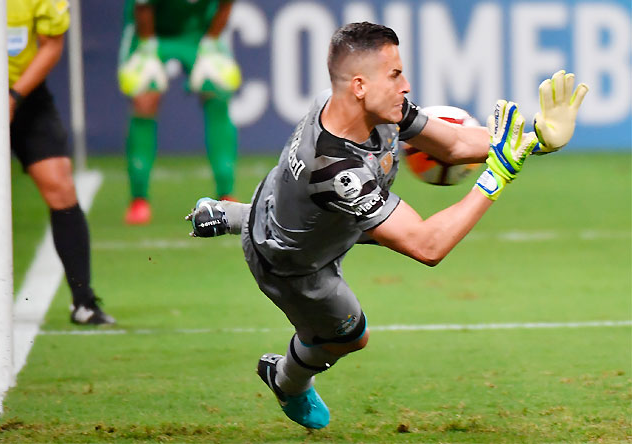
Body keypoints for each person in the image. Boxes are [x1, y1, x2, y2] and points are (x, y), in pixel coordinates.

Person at [185, 22, 588, 429]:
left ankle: (233, 214)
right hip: (296, 264)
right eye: (395, 74)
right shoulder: (336, 171)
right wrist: (497, 175)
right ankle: (286, 379)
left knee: (331, 218)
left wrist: (538, 136)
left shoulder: (354, 108)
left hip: (297, 208)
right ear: (360, 85)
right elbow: (428, 246)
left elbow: (452, 145)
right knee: (349, 337)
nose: (407, 85)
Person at [0, 0, 114, 325]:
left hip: (22, 94)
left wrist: (13, 95)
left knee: (59, 185)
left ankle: (84, 301)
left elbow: (52, 43)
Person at [117, 0, 250, 225]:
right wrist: (148, 49)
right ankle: (139, 198)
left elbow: (227, 1)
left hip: (199, 33)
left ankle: (226, 192)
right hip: (151, 33)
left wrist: (212, 42)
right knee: (145, 99)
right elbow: (143, 4)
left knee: (217, 93)